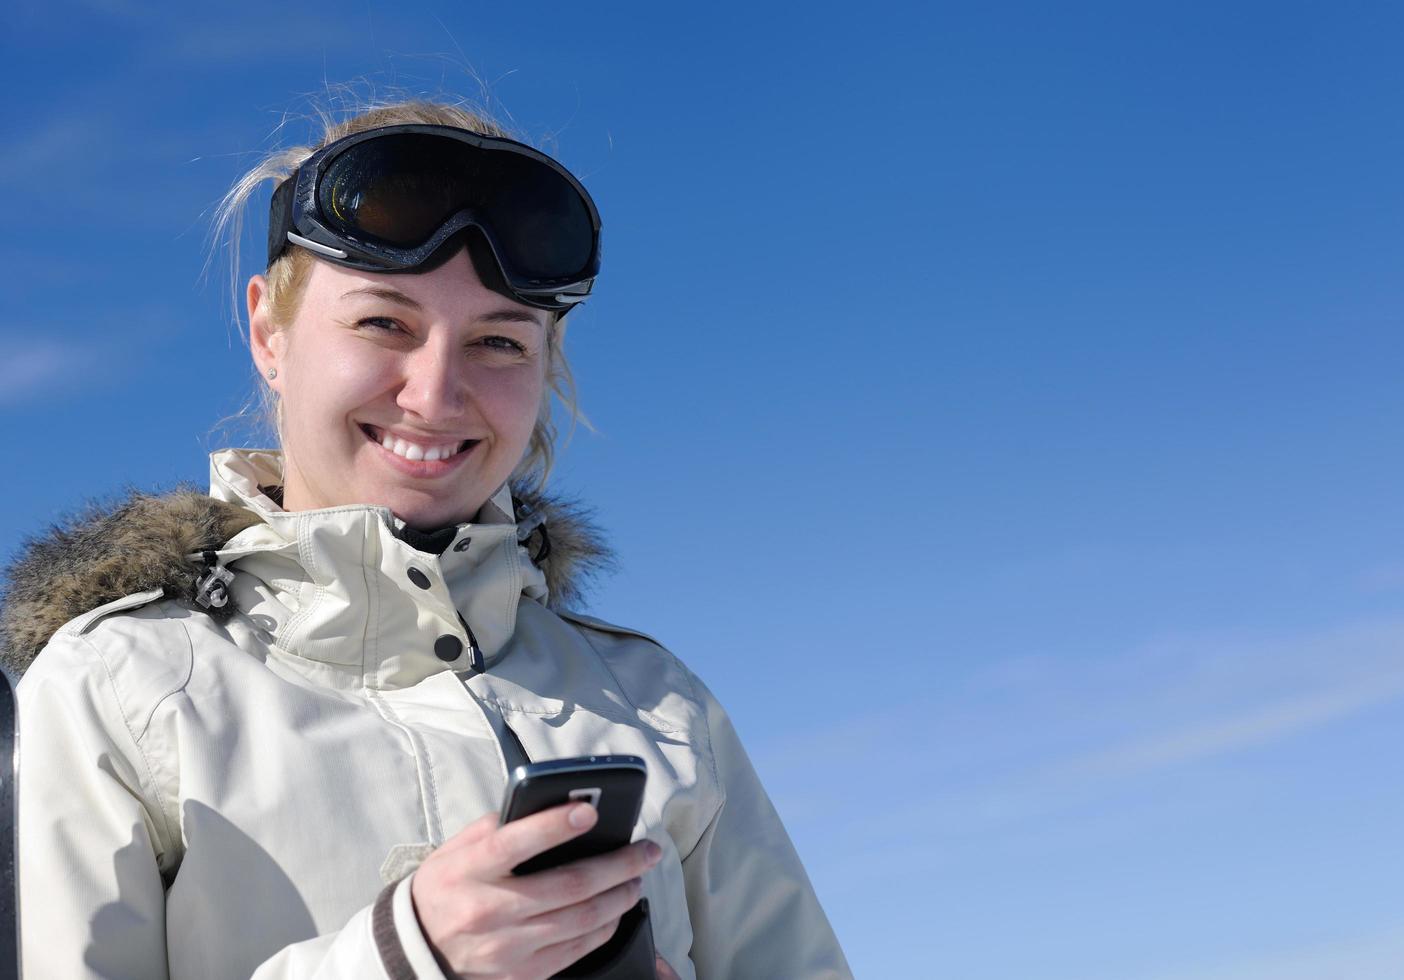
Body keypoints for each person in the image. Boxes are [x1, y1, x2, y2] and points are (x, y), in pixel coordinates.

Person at [0, 98, 851, 979]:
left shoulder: (658, 709)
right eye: (384, 323)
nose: (437, 393)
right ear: (269, 332)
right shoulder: (121, 689)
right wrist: (400, 957)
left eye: (497, 342)